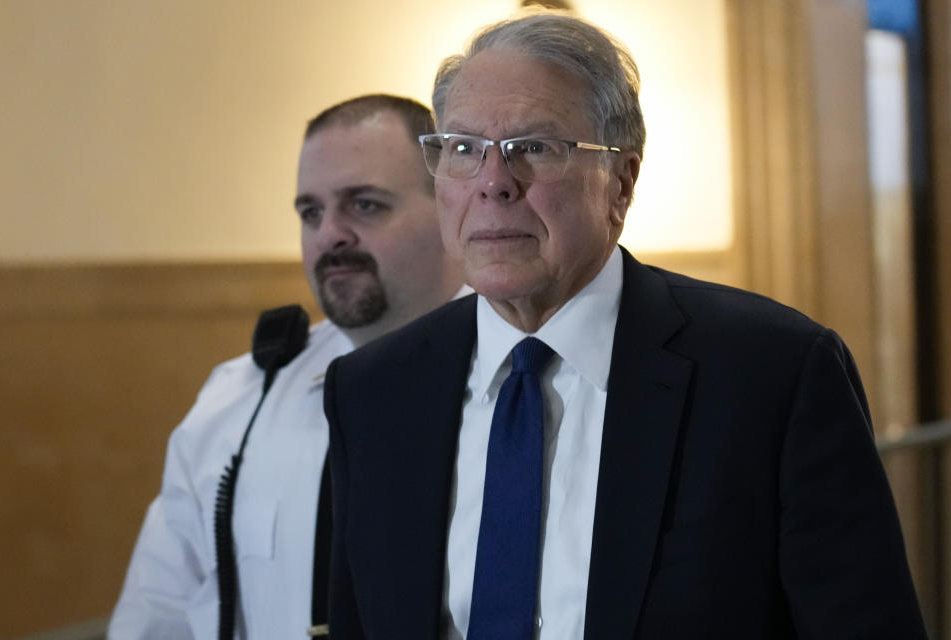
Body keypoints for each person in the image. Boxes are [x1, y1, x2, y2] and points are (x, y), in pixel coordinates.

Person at [323, 14, 928, 640]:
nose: (494, 184)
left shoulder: (774, 373)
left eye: (535, 147)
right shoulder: (373, 390)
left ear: (622, 181)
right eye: (464, 150)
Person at [109, 94, 466, 639]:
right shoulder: (238, 401)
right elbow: (157, 616)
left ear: (450, 205)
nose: (330, 235)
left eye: (365, 204)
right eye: (310, 212)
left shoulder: (520, 389)